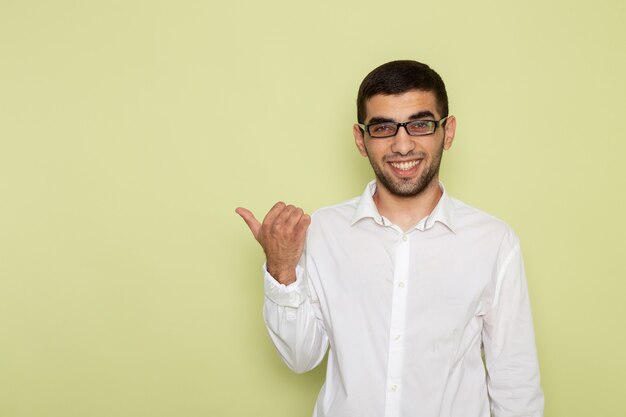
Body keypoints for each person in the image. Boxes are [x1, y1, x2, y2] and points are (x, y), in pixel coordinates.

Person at [236, 60, 544, 417]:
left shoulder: (493, 242)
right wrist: (282, 268)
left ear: (448, 131)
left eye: (420, 124)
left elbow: (515, 379)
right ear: (361, 139)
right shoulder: (323, 231)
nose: (402, 145)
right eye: (383, 128)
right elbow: (301, 358)